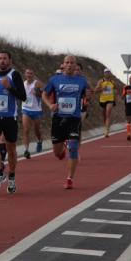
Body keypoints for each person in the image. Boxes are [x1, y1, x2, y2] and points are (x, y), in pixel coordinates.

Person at [42, 55, 91, 189]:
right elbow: (44, 94)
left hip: (74, 119)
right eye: (67, 62)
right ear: (63, 65)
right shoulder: (54, 79)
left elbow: (89, 92)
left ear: (76, 66)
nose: (69, 65)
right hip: (58, 119)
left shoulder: (82, 81)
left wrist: (88, 96)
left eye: (72, 63)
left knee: (74, 147)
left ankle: (69, 178)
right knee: (57, 153)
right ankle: (62, 150)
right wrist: (49, 105)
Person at [0, 51, 27, 193]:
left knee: (11, 150)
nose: (2, 61)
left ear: (10, 60)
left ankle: (12, 176)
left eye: (4, 58)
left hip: (10, 117)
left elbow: (23, 96)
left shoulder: (14, 75)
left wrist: (10, 87)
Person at [21, 68, 44, 158]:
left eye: (31, 73)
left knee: (36, 130)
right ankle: (26, 150)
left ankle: (39, 140)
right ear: (25, 74)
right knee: (26, 130)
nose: (29, 75)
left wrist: (37, 93)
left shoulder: (37, 83)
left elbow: (45, 93)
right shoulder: (23, 83)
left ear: (33, 75)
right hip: (26, 109)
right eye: (27, 73)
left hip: (36, 110)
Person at [94, 68, 117, 137]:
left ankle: (106, 131)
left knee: (108, 113)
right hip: (102, 100)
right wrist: (101, 89)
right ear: (104, 74)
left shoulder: (113, 82)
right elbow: (95, 90)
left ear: (110, 73)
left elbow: (115, 90)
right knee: (104, 115)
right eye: (106, 72)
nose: (107, 73)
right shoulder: (101, 81)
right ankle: (106, 126)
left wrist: (115, 94)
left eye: (108, 72)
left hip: (110, 100)